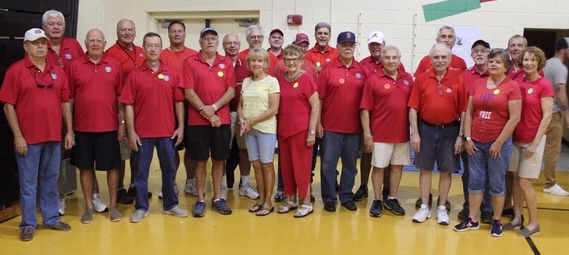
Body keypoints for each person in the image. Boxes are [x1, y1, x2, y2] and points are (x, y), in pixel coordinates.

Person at [0, 28, 73, 241]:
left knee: (51, 179)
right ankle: (28, 224)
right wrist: (18, 136)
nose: (40, 46)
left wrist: (69, 130)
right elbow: (8, 106)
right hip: (28, 140)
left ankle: (50, 219)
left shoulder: (58, 72)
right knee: (29, 183)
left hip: (53, 137)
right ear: (26, 47)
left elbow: (65, 102)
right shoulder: (16, 71)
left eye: (43, 43)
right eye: (35, 43)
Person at [120, 32, 188, 223]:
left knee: (169, 170)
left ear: (160, 48)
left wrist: (181, 126)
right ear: (144, 48)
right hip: (142, 134)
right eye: (148, 45)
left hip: (167, 132)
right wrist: (131, 131)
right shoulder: (134, 76)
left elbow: (179, 103)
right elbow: (128, 105)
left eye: (156, 45)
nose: (152, 49)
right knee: (140, 172)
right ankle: (141, 207)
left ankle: (171, 204)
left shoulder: (172, 74)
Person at [454, 48, 521, 237]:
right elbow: (468, 113)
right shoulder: (478, 83)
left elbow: (514, 118)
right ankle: (472, 219)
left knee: (497, 182)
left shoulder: (512, 86)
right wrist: (467, 138)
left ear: (506, 66)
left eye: (498, 62)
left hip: (498, 144)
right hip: (476, 142)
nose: (493, 64)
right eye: (491, 61)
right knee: (475, 181)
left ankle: (496, 220)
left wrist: (498, 143)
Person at [42, 9, 98, 216]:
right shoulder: (39, 45)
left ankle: (93, 194)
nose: (56, 27)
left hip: (77, 108)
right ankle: (59, 197)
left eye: (59, 23)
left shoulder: (73, 45)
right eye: (52, 24)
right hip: (52, 110)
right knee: (56, 156)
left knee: (86, 154)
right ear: (45, 27)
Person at [67, 29, 123, 223]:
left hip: (109, 127)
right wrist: (69, 129)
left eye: (99, 41)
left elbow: (119, 98)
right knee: (85, 168)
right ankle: (89, 207)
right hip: (82, 128)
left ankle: (114, 206)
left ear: (105, 43)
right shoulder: (74, 66)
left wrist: (122, 124)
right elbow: (69, 99)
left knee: (113, 167)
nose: (95, 44)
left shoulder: (114, 65)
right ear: (85, 43)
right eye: (92, 40)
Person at [409, 43, 466, 225]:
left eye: (443, 57)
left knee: (446, 170)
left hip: (450, 130)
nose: (440, 60)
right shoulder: (422, 79)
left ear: (450, 59)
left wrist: (461, 136)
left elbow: (464, 110)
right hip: (425, 129)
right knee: (425, 169)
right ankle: (424, 206)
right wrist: (415, 134)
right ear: (430, 59)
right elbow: (412, 108)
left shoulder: (459, 79)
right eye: (436, 57)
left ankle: (442, 207)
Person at [182, 27, 235, 217]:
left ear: (218, 42)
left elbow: (231, 91)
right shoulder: (190, 62)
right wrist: (207, 112)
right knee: (200, 161)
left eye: (213, 38)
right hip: (198, 121)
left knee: (219, 160)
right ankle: (200, 199)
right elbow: (189, 91)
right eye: (206, 39)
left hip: (222, 121)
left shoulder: (226, 62)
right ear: (200, 42)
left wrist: (214, 107)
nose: (210, 41)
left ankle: (218, 199)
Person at [360, 45, 413, 217]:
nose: (391, 61)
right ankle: (376, 200)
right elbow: (365, 109)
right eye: (387, 57)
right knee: (379, 168)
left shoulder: (408, 79)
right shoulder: (373, 80)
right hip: (380, 134)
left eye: (394, 57)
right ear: (382, 60)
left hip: (402, 134)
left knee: (397, 167)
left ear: (399, 59)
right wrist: (367, 134)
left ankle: (391, 198)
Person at [506, 46, 553, 237]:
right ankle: (518, 217)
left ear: (539, 62)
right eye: (526, 59)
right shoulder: (518, 83)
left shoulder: (544, 85)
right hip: (516, 139)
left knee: (525, 183)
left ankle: (534, 223)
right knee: (516, 181)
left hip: (533, 141)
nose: (529, 63)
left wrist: (535, 143)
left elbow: (547, 116)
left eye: (533, 60)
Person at [318, 31, 367, 212]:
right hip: (330, 128)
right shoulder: (328, 69)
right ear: (337, 47)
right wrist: (318, 123)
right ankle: (329, 198)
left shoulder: (362, 70)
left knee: (350, 166)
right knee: (328, 166)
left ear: (354, 47)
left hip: (354, 128)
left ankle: (346, 195)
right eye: (344, 45)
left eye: (351, 45)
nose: (348, 48)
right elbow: (320, 99)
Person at [353, 30, 404, 203]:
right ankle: (363, 187)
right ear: (368, 46)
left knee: (390, 160)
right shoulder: (362, 64)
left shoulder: (400, 69)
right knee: (367, 154)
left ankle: (388, 191)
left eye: (378, 44)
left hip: (391, 123)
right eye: (372, 44)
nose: (375, 47)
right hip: (370, 118)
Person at [271, 32, 318, 202]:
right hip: (284, 131)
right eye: (288, 59)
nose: (291, 62)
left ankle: (305, 202)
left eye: (294, 59)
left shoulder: (306, 78)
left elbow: (315, 106)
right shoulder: (281, 80)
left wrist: (312, 131)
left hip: (301, 131)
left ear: (300, 61)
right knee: (287, 168)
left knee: (301, 168)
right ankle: (291, 200)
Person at [105, 19, 146, 204]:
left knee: (137, 150)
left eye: (130, 29)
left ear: (135, 31)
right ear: (117, 32)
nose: (127, 33)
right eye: (123, 30)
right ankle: (120, 189)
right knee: (122, 152)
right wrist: (120, 120)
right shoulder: (110, 55)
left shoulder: (141, 51)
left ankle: (134, 185)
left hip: (142, 111)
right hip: (121, 109)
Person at [159, 20, 198, 200]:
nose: (176, 34)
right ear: (168, 34)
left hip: (192, 109)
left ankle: (190, 182)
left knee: (191, 149)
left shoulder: (193, 55)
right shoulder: (162, 55)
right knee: (170, 149)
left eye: (179, 31)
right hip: (168, 109)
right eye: (173, 31)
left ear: (184, 34)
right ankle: (170, 182)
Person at [238, 48, 280, 216]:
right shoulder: (246, 82)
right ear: (249, 63)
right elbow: (240, 105)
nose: (256, 63)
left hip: (265, 129)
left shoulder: (272, 82)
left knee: (267, 165)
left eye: (260, 61)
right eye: (253, 61)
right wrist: (242, 120)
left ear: (266, 64)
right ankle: (261, 199)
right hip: (248, 129)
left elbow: (274, 109)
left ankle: (268, 202)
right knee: (256, 165)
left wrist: (252, 122)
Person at [458, 39, 494, 224]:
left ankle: (487, 208)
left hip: (488, 133)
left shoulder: (495, 75)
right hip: (468, 131)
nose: (479, 54)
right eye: (476, 51)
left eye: (483, 51)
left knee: (487, 172)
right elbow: (463, 107)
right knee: (470, 173)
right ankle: (468, 206)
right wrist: (463, 135)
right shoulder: (464, 76)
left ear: (489, 53)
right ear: (471, 55)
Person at [223, 33, 259, 199]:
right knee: (222, 152)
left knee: (245, 150)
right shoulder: (218, 64)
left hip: (244, 115)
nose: (232, 46)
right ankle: (221, 186)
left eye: (235, 43)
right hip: (223, 114)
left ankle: (244, 185)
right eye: (228, 43)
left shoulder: (247, 65)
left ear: (239, 45)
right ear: (223, 46)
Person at [542, 38, 569, 196]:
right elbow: (560, 92)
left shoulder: (547, 63)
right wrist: (566, 114)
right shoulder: (560, 68)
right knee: (553, 148)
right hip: (552, 112)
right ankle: (550, 183)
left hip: (543, 111)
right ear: (564, 50)